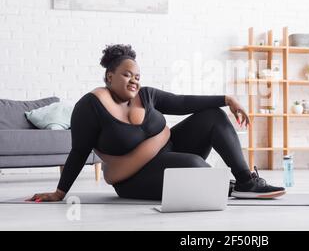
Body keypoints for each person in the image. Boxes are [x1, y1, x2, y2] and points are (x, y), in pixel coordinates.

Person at [27, 44, 285, 202]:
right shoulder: (90, 107)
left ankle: (244, 182)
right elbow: (79, 151)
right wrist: (60, 192)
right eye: (127, 74)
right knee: (194, 165)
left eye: (137, 76)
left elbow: (182, 102)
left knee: (213, 115)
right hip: (136, 178)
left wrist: (227, 99)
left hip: (172, 152)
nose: (134, 80)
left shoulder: (146, 95)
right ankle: (216, 184)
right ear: (109, 76)